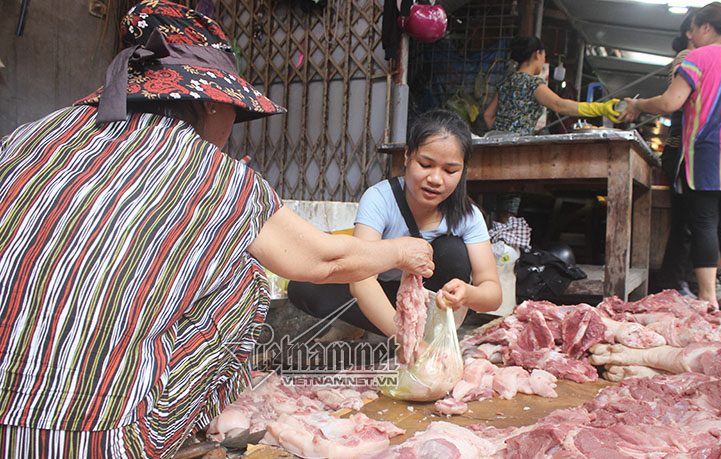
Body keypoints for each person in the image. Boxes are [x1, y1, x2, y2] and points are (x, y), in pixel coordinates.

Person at [0, 2, 434, 457]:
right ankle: (170, 425)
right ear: (210, 101)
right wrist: (403, 252)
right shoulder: (213, 173)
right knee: (246, 276)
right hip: (95, 440)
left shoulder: (29, 135)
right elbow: (323, 261)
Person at [289, 109, 502, 338]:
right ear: (408, 155)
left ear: (462, 171)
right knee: (303, 287)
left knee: (452, 251)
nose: (435, 179)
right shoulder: (380, 198)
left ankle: (431, 336)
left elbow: (492, 292)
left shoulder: (467, 216)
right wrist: (402, 336)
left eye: (450, 170)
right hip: (380, 292)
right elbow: (361, 278)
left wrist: (467, 293)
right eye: (426, 164)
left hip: (431, 301)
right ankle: (384, 330)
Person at [619, 2, 721, 310]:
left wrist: (639, 105)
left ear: (706, 27)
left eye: (693, 29)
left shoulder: (699, 57)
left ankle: (707, 297)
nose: (691, 36)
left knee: (705, 222)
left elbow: (671, 102)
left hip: (706, 151)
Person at [482, 35, 621, 136]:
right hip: (518, 149)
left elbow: (488, 115)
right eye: (544, 57)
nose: (543, 61)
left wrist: (501, 134)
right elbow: (560, 105)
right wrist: (602, 108)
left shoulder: (506, 82)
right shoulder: (532, 84)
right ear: (538, 54)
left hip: (495, 144)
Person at [656, 12, 697, 299]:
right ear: (694, 31)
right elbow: (677, 99)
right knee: (685, 219)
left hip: (694, 149)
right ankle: (673, 284)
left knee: (695, 220)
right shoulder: (687, 56)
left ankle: (678, 281)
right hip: (680, 149)